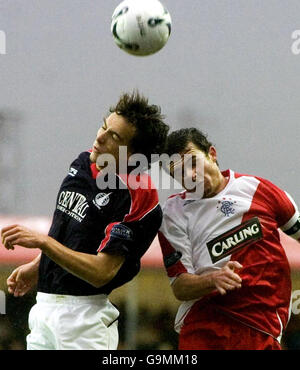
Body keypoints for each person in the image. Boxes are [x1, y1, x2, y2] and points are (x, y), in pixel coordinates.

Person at [1, 91, 169, 350]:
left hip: (84, 318)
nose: (100, 137)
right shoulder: (81, 164)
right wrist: (38, 265)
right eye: (104, 126)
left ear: (134, 156)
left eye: (114, 137)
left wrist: (44, 245)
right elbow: (71, 231)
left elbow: (102, 272)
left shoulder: (136, 192)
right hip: (44, 307)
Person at [158, 127, 300, 350]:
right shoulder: (173, 213)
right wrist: (212, 279)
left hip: (262, 328)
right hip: (205, 327)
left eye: (193, 163)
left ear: (212, 154)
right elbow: (180, 286)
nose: (190, 176)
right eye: (179, 173)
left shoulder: (257, 189)